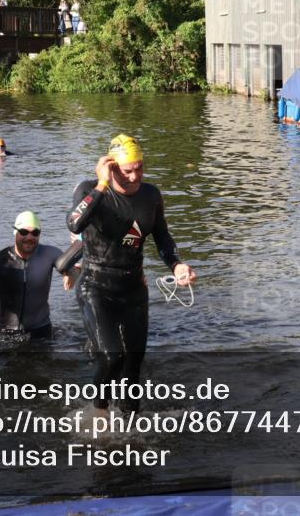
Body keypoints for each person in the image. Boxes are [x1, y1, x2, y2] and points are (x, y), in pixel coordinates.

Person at [66, 134, 197, 414]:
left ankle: (130, 427)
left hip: (134, 289)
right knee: (113, 357)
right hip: (96, 287)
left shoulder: (150, 195)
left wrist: (177, 265)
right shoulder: (90, 190)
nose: (135, 175)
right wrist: (102, 184)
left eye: (140, 167)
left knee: (132, 368)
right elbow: (74, 224)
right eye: (128, 170)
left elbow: (162, 237)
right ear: (111, 167)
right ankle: (98, 413)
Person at [0, 211, 69, 339]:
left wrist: (70, 273)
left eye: (35, 233)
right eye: (24, 232)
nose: (29, 237)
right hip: (6, 334)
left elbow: (71, 269)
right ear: (15, 232)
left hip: (41, 331)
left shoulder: (50, 254)